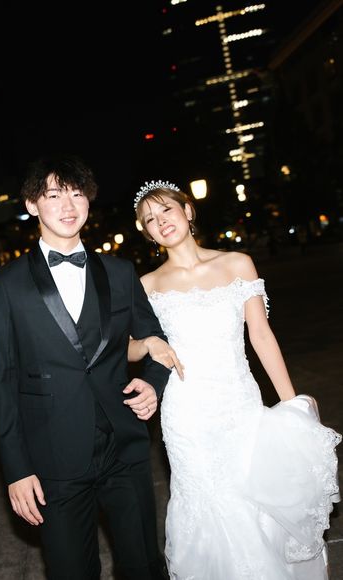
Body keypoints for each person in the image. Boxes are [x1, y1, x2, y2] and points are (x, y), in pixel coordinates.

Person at [128, 180, 342, 580]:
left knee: (255, 500)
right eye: (150, 219)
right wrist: (149, 343)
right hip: (186, 415)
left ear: (187, 211)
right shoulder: (147, 285)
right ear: (148, 233)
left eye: (167, 210)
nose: (161, 221)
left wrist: (292, 404)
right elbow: (127, 349)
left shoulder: (237, 264)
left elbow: (261, 336)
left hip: (239, 403)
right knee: (210, 505)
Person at [0, 156, 182, 579]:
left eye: (77, 194)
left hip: (123, 448)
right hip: (53, 458)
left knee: (144, 566)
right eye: (54, 195)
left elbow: (154, 340)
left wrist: (153, 384)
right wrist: (17, 471)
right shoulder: (9, 284)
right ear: (32, 204)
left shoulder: (120, 272)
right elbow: (2, 381)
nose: (68, 205)